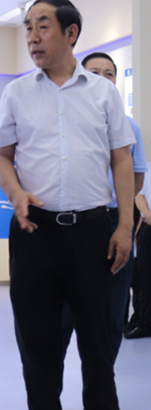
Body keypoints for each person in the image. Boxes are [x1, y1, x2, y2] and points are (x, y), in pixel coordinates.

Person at [0, 0, 136, 410]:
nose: (32, 37)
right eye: (28, 27)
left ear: (71, 34)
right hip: (34, 231)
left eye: (43, 27)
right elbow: (1, 156)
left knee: (98, 338)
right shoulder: (17, 93)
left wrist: (123, 225)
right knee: (38, 342)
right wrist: (15, 193)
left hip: (93, 231)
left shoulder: (103, 94)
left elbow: (121, 159)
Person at [60, 52, 147, 363]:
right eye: (94, 72)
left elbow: (137, 178)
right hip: (71, 224)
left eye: (109, 73)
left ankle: (102, 382)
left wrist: (123, 215)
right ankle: (50, 387)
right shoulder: (64, 121)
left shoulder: (130, 126)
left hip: (113, 221)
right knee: (63, 315)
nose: (103, 78)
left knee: (111, 312)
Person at [125, 163, 151, 338]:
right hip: (148, 225)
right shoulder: (148, 169)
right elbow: (139, 195)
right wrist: (147, 214)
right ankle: (145, 323)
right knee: (145, 278)